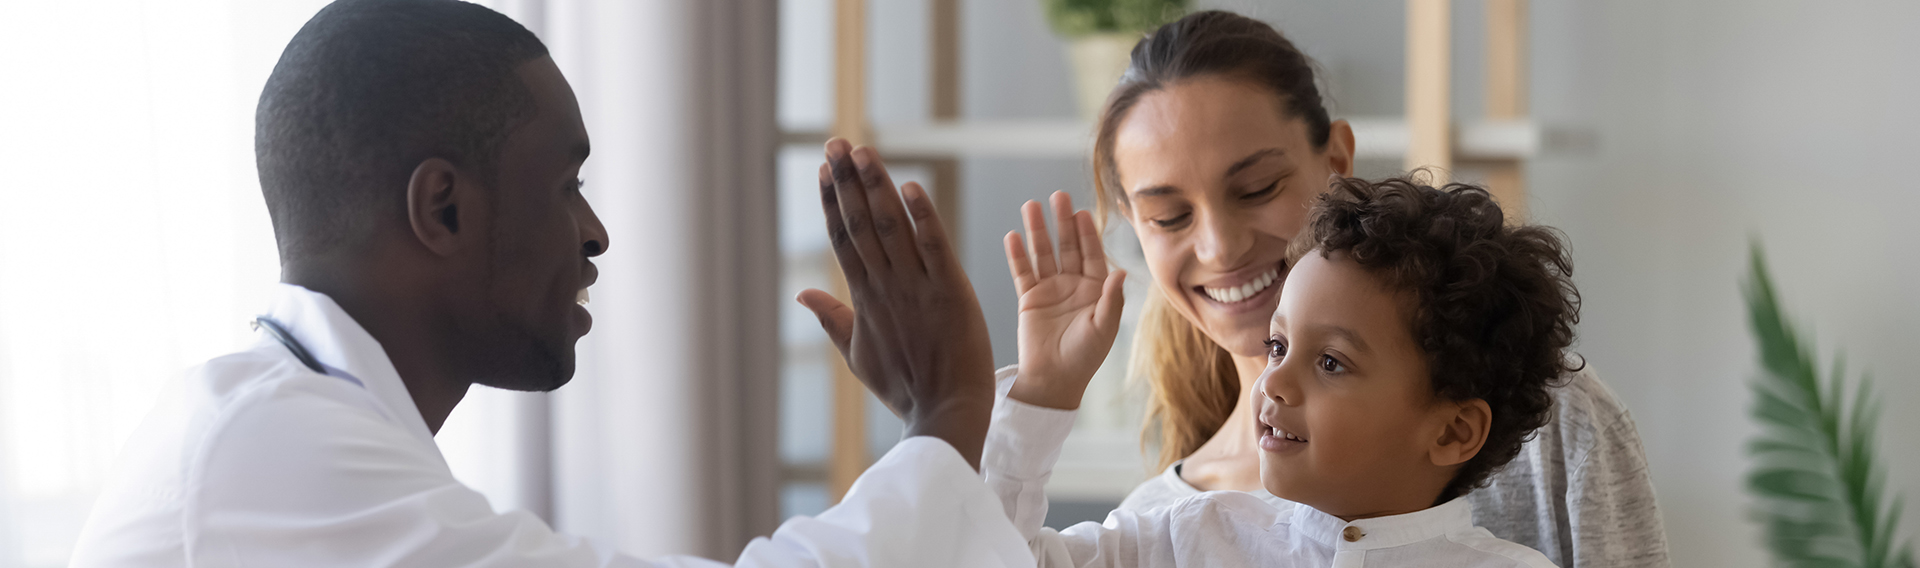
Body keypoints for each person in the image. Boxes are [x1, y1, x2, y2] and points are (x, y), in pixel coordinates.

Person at [69, 1, 1029, 566]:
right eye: (566, 184)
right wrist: (947, 410)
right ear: (441, 208)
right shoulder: (268, 453)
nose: (596, 231)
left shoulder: (291, 425)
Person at [989, 10, 1669, 568]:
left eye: (1257, 188)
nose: (1219, 246)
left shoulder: (1551, 424)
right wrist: (1038, 398)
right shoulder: (1166, 530)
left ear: (1337, 161)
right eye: (1169, 216)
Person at [987, 177, 1574, 567]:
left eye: (1329, 363)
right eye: (1275, 346)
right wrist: (1043, 392)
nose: (1273, 382)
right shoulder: (1185, 540)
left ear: (1451, 431)